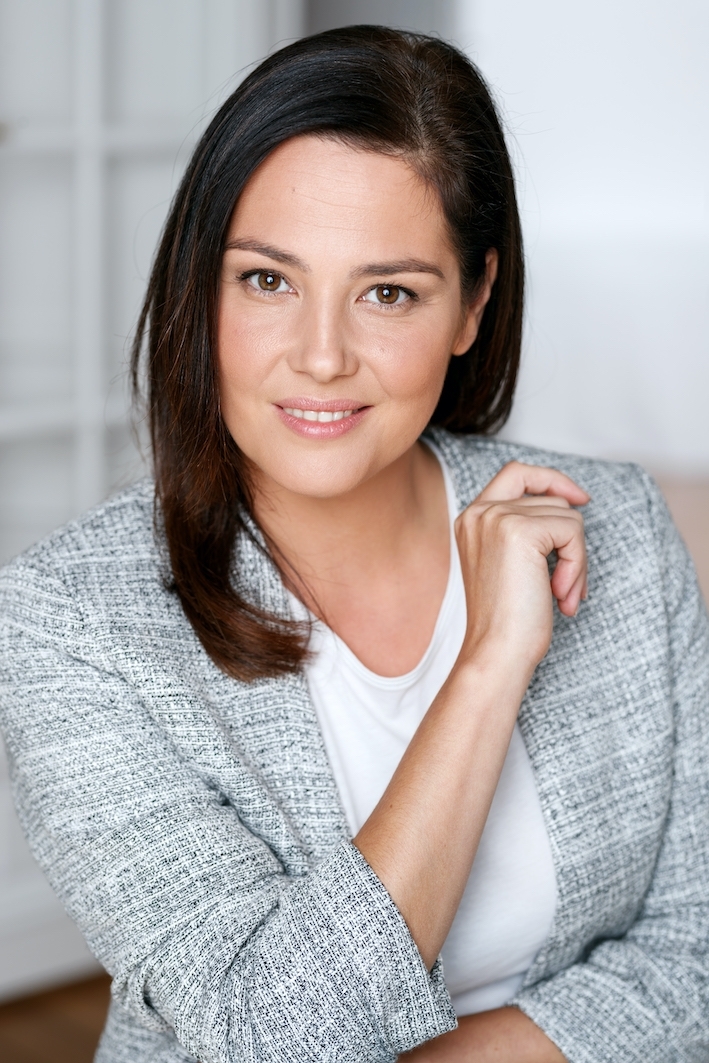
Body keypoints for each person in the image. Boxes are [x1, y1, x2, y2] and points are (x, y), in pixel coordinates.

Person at [0, 25, 707, 1063]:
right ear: (201, 285)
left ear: (472, 302)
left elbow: (693, 955)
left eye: (388, 292)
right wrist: (485, 670)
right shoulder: (70, 620)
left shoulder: (619, 526)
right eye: (267, 281)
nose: (321, 355)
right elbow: (268, 1036)